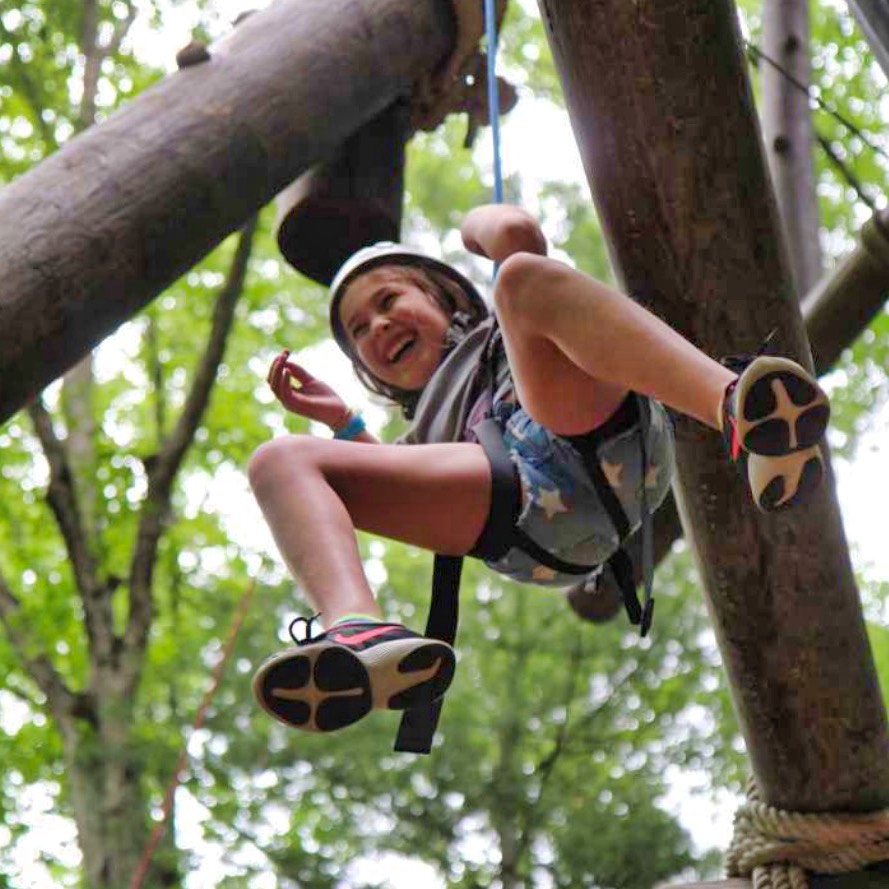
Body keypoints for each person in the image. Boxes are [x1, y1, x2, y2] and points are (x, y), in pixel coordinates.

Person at [248, 204, 830, 735]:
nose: (376, 326)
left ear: (445, 298)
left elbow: (516, 235)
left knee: (523, 278)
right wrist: (344, 424)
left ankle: (736, 411)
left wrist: (466, 227)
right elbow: (391, 478)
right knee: (279, 461)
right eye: (358, 331)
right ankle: (358, 630)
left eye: (389, 300)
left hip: (582, 435)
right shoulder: (426, 431)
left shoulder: (502, 339)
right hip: (514, 510)